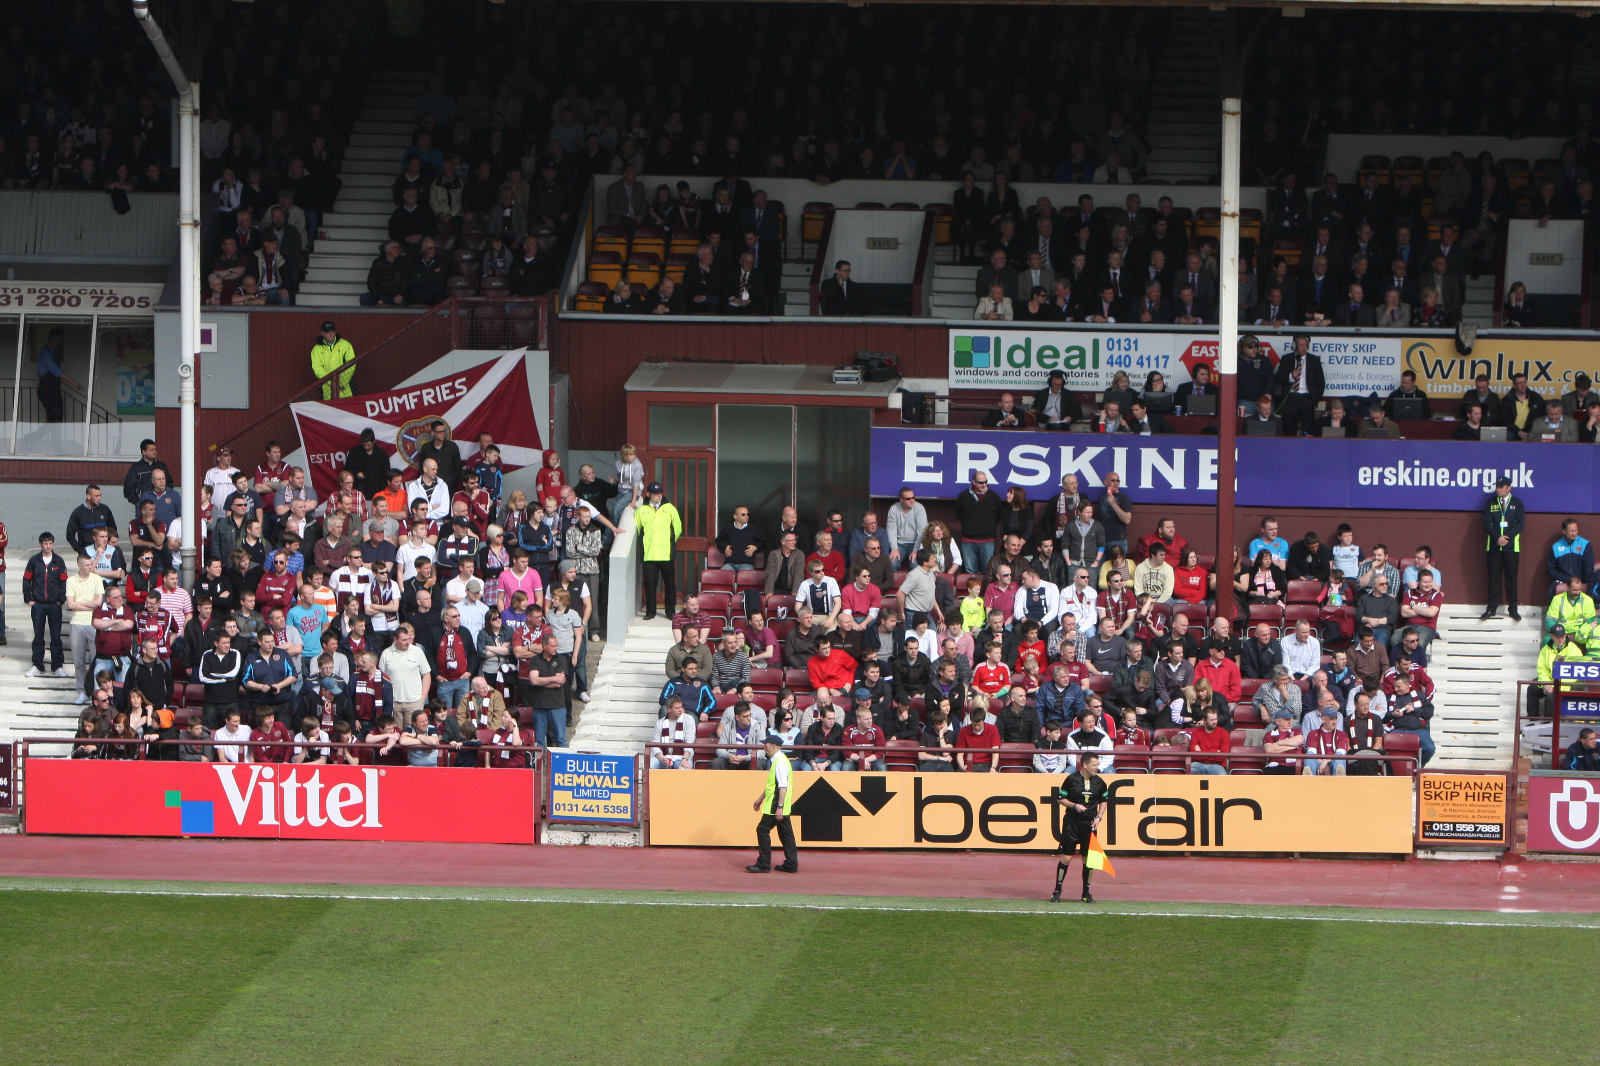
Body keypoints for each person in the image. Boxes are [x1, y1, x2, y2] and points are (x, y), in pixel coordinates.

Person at [1050, 750, 1107, 904]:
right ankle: (1057, 891)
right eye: (1094, 765)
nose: (1097, 767)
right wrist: (1074, 806)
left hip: (1089, 825)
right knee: (1067, 858)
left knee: (1088, 860)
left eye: (1098, 764)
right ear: (1085, 764)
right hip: (1071, 823)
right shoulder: (1071, 779)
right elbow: (1061, 799)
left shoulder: (1099, 781)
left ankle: (1086, 893)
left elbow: (1104, 800)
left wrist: (1099, 817)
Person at [747, 733, 798, 873]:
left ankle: (764, 863)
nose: (765, 747)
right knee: (786, 834)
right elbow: (774, 784)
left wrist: (779, 807)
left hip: (775, 805)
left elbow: (782, 786)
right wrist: (760, 799)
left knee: (762, 829)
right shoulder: (781, 760)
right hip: (781, 804)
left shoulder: (779, 762)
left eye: (766, 745)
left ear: (773, 746)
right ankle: (791, 863)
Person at [23, 532, 67, 679]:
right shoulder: (34, 561)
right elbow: (26, 580)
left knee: (56, 637)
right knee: (38, 637)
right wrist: (28, 599)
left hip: (54, 604)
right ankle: (37, 665)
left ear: (53, 544)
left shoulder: (58, 561)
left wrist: (61, 599)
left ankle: (57, 666)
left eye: (50, 543)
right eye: (45, 543)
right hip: (38, 605)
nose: (48, 546)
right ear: (41, 544)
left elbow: (63, 582)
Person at [1481, 476, 1525, 622]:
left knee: (1511, 580)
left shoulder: (1517, 504)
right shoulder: (1490, 503)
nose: (1498, 489)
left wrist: (1506, 537)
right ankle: (1491, 608)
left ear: (1509, 488)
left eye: (1501, 486)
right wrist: (1497, 537)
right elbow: (1486, 523)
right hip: (1493, 547)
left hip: (1511, 548)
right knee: (1494, 579)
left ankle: (1513, 609)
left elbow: (1520, 524)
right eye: (1497, 486)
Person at [636, 483, 682, 620]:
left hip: (666, 553)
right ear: (649, 494)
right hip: (649, 554)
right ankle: (650, 611)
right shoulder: (641, 510)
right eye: (655, 493)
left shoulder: (670, 509)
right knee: (650, 584)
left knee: (670, 584)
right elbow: (638, 529)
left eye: (660, 492)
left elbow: (678, 528)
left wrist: (668, 542)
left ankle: (670, 611)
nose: (659, 495)